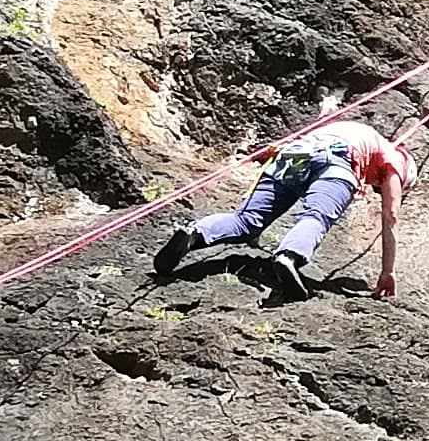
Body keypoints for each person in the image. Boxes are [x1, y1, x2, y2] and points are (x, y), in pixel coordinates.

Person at [155, 114, 409, 303]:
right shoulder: (395, 159)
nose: (376, 187)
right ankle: (288, 257)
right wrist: (388, 271)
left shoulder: (354, 129)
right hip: (338, 162)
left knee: (245, 221)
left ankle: (192, 233)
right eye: (378, 188)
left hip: (295, 154)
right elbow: (391, 215)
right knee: (316, 216)